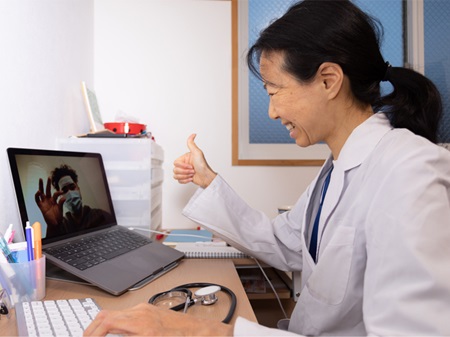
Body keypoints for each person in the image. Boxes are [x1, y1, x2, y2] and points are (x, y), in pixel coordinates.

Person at [84, 0, 450, 336]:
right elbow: (284, 242)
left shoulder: (408, 170)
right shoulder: (337, 168)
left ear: (328, 80)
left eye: (275, 91)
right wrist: (208, 181)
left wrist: (201, 331)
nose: (273, 112)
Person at [35, 164, 114, 237]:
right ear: (60, 197)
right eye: (64, 191)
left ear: (79, 190)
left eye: (72, 187)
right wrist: (52, 227)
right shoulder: (61, 226)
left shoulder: (100, 215)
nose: (70, 193)